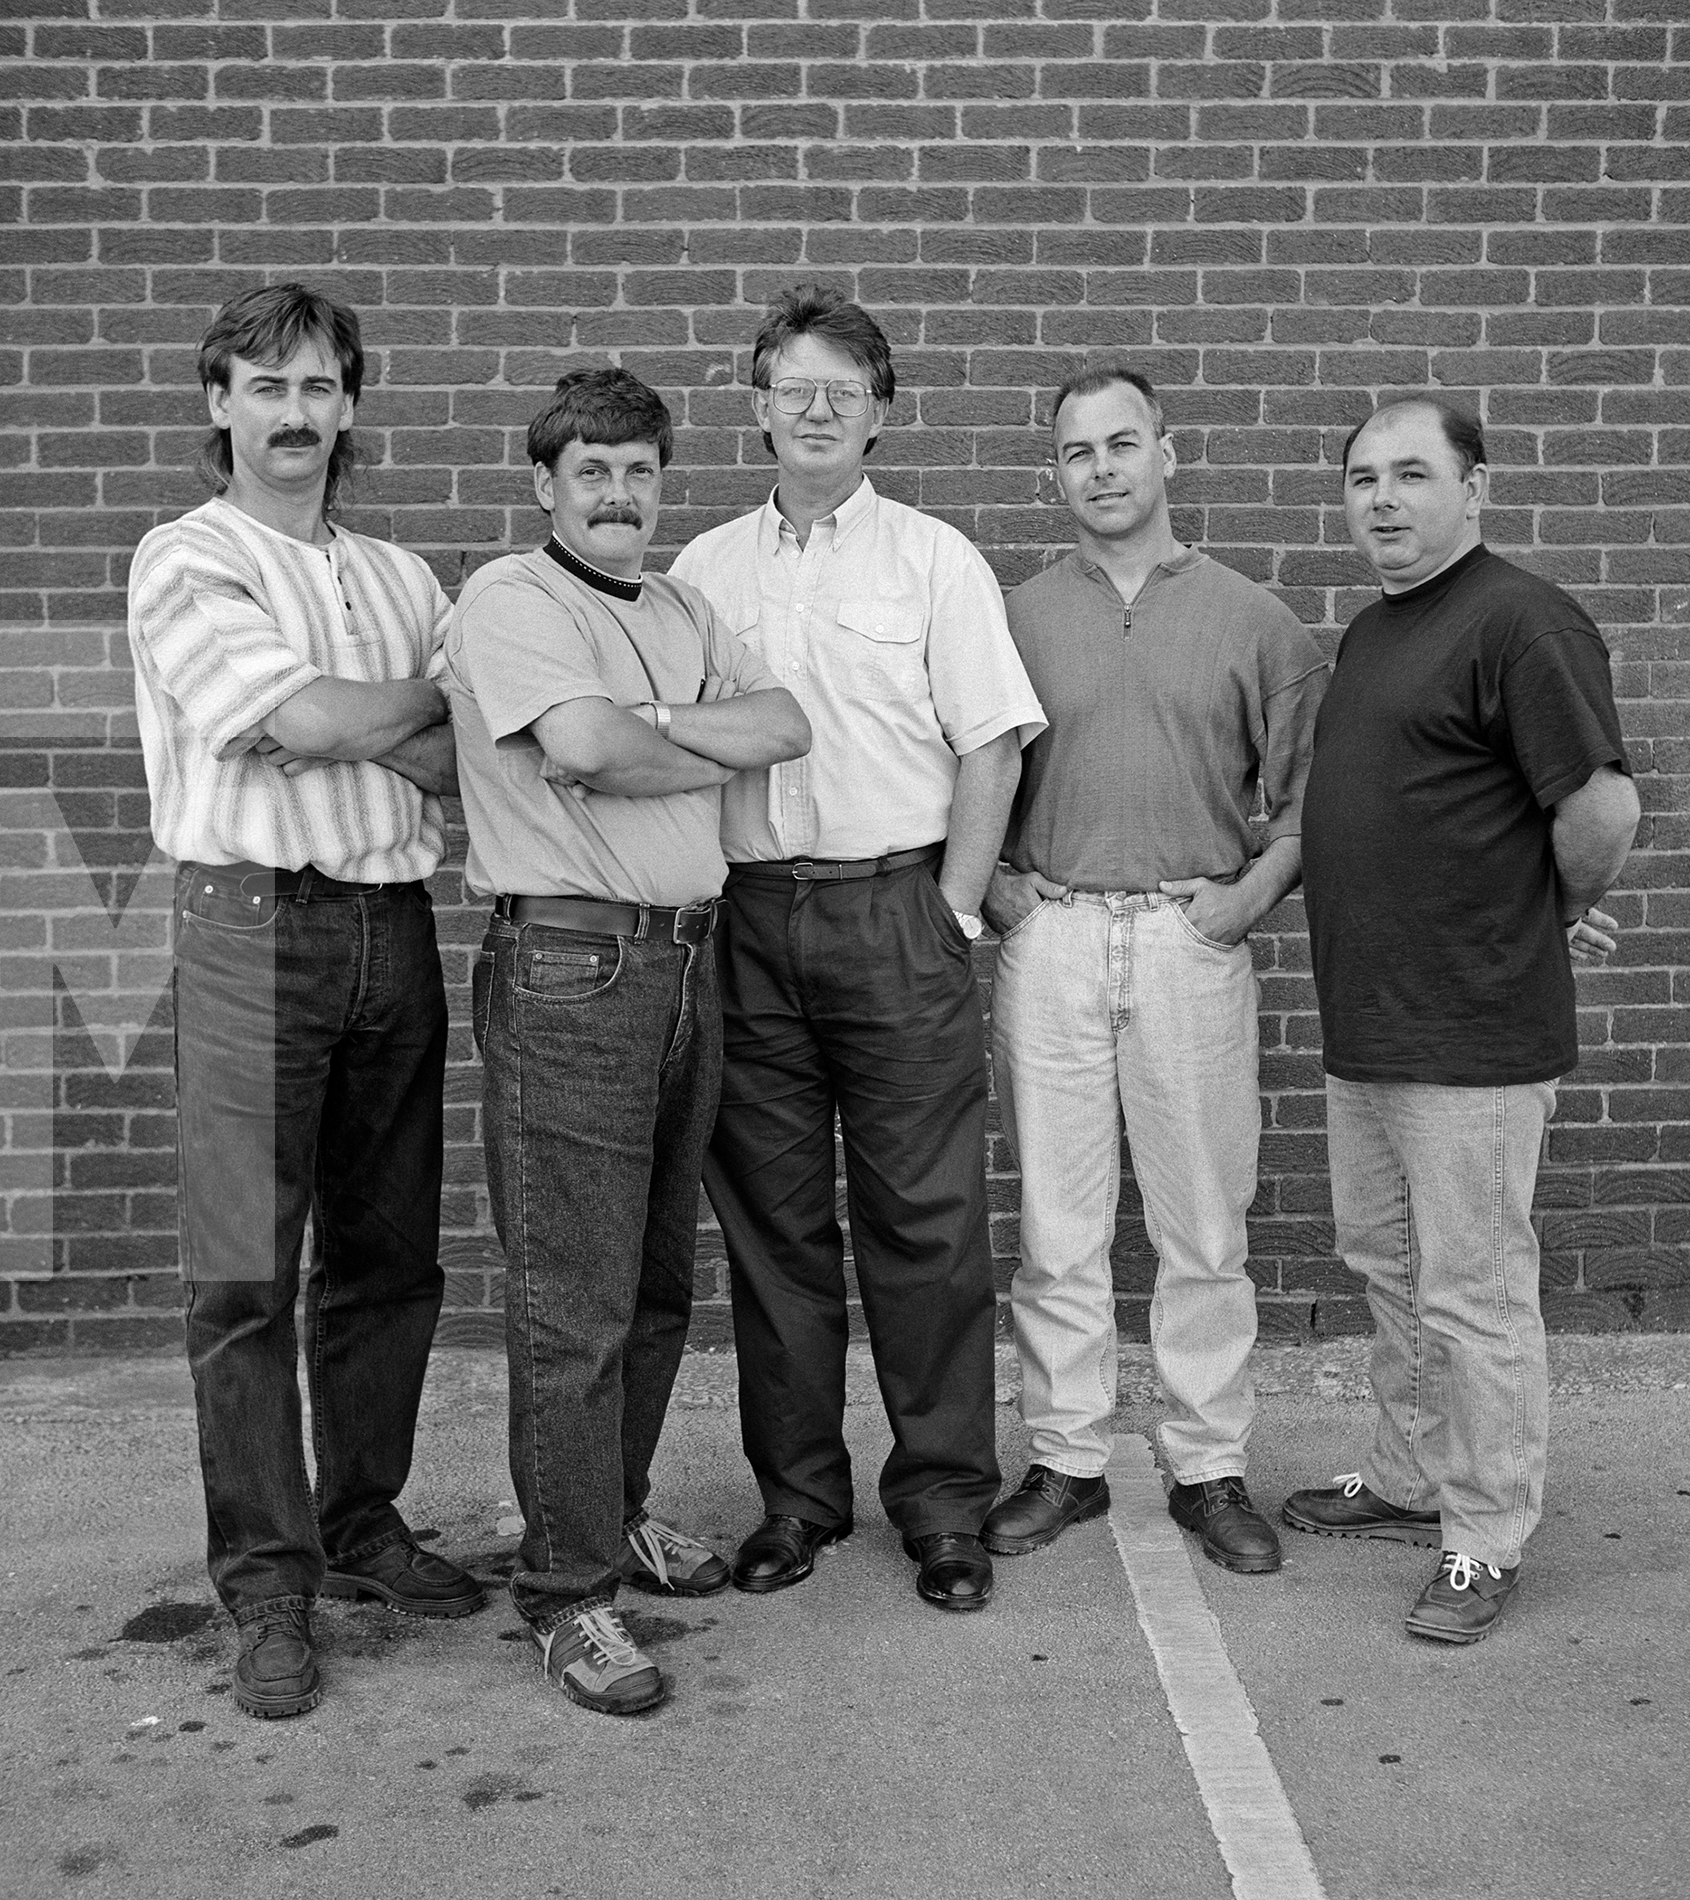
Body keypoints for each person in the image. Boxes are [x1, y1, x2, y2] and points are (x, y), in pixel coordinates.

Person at [438, 366, 810, 1714]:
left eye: (639, 470)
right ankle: (568, 1594)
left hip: (686, 965)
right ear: (545, 486)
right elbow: (582, 744)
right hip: (572, 969)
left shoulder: (684, 605)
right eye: (589, 471)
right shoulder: (508, 599)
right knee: (573, 1304)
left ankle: (614, 1512)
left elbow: (787, 726)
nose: (617, 494)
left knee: (657, 1290)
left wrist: (646, 735)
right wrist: (657, 741)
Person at [669, 285, 1044, 1615]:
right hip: (752, 922)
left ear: (881, 413)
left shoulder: (936, 561)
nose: (817, 408)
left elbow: (991, 741)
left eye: (845, 389)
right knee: (774, 1235)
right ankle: (800, 1502)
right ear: (758, 405)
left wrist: (950, 908)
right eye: (794, 386)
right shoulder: (704, 571)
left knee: (928, 1229)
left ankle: (944, 1503)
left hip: (898, 912)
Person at [125, 282, 467, 1722]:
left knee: (390, 1259)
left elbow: (462, 759)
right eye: (265, 389)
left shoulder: (404, 575)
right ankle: (268, 1581)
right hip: (251, 925)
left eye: (320, 388)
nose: (295, 415)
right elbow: (291, 721)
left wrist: (345, 716)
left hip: (394, 924)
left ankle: (361, 1521)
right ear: (220, 404)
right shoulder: (182, 558)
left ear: (350, 405)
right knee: (246, 1277)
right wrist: (382, 714)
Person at [1281, 397, 1638, 1644]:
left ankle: (1483, 1535)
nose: (1380, 499)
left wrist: (1554, 901)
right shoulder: (1379, 629)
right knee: (1388, 1270)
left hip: (1472, 1034)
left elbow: (1597, 806)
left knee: (1475, 1293)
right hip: (1370, 1027)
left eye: (1411, 474)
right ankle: (1406, 1475)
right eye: (1361, 478)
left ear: (1472, 488)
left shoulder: (1520, 619)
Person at [979, 369, 1327, 1579]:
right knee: (1056, 1224)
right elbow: (957, 774)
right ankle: (1065, 1460)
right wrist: (993, 889)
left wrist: (1245, 897)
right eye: (1075, 452)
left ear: (1169, 455)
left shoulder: (1253, 620)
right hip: (1055, 934)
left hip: (1188, 938)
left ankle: (1206, 1465)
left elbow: (1303, 802)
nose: (1101, 469)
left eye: (1121, 444)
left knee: (1200, 1221)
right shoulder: (1010, 616)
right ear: (1054, 475)